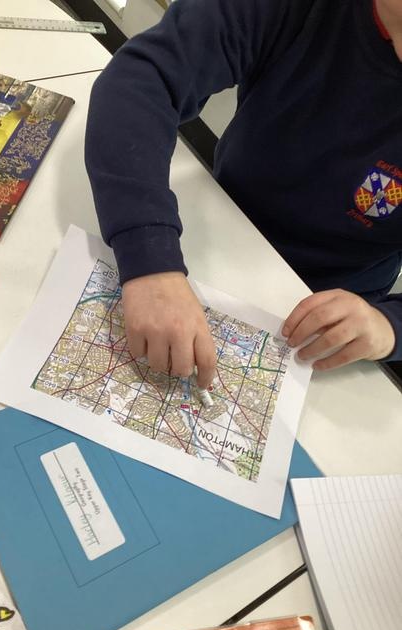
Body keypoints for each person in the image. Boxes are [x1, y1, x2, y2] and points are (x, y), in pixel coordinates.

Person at [85, 0, 402, 389]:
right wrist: (149, 257)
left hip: (329, 316)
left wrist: (389, 325)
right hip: (215, 226)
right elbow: (143, 80)